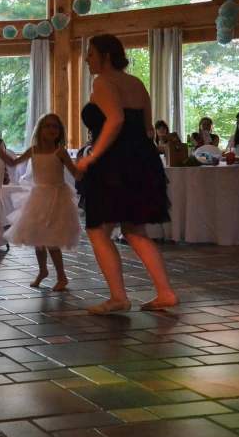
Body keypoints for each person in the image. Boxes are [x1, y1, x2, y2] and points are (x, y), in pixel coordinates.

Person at [76, 34, 178, 314]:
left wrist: (92, 156)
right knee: (135, 230)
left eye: (91, 54)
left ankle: (119, 297)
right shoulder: (137, 84)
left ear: (106, 56)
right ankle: (165, 292)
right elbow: (146, 127)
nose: (87, 59)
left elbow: (116, 119)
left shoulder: (103, 81)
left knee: (97, 229)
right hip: (142, 160)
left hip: (113, 162)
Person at [0, 114, 82, 292]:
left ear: (60, 131)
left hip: (57, 197)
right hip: (38, 196)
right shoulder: (34, 150)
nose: (51, 129)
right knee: (38, 238)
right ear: (40, 130)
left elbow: (76, 175)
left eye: (55, 127)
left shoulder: (60, 152)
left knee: (51, 240)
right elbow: (13, 161)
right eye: (47, 126)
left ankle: (62, 276)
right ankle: (42, 271)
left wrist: (87, 164)